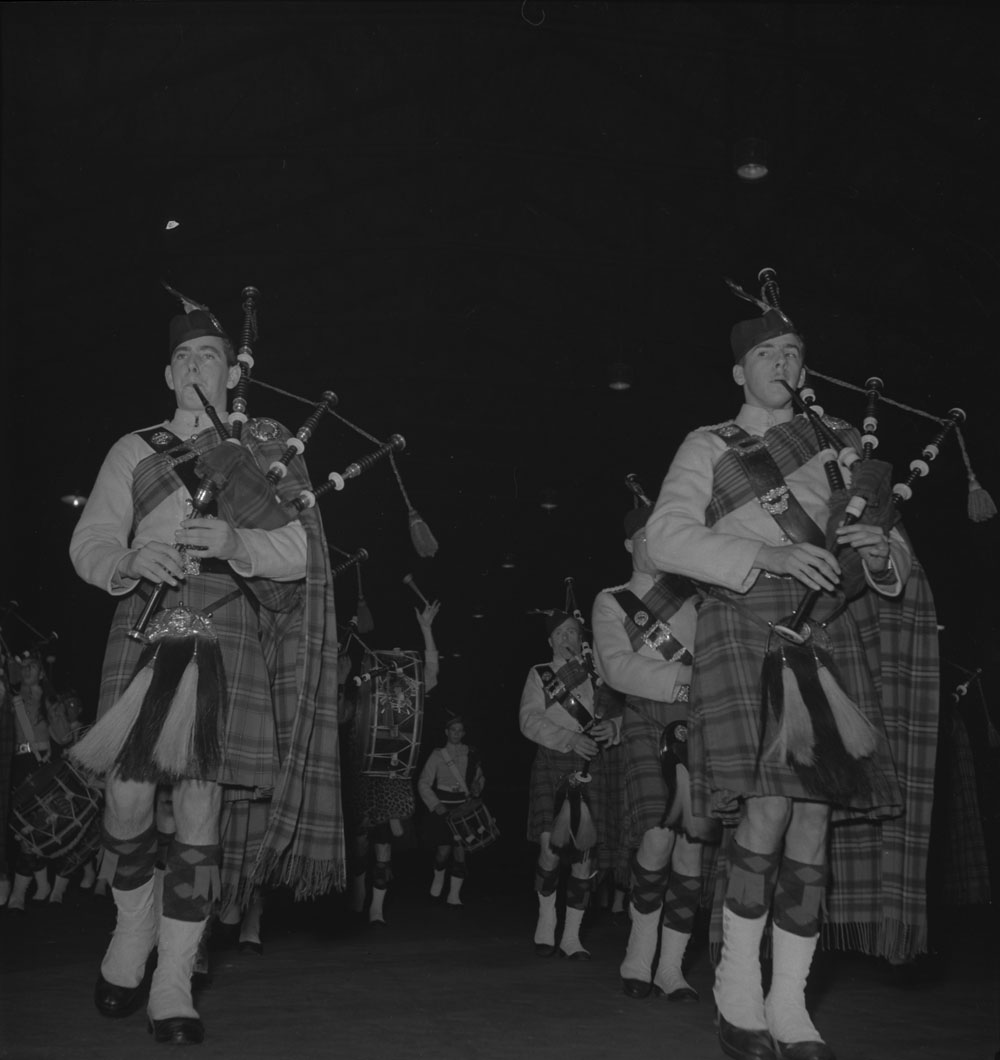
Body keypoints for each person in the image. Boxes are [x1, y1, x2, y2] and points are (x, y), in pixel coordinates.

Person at [645, 304, 936, 1060]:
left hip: (831, 629)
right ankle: (737, 990)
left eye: (795, 352)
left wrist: (878, 551)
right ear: (741, 370)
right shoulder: (709, 444)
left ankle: (790, 1004)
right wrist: (765, 558)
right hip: (750, 621)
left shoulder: (843, 445)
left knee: (815, 823)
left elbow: (892, 563)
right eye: (768, 352)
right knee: (769, 813)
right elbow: (664, 538)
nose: (784, 363)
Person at [69, 307, 341, 1045]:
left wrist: (239, 540)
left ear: (232, 372)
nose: (196, 366)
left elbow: (306, 553)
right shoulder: (136, 449)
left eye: (210, 356)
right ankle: (133, 929)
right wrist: (125, 561)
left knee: (197, 809)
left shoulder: (268, 447)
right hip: (145, 623)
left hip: (227, 629)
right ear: (168, 373)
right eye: (184, 356)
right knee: (125, 799)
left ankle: (173, 978)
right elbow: (90, 539)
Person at [592, 505, 719, 1002]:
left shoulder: (700, 598)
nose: (657, 545)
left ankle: (671, 968)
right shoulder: (612, 601)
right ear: (630, 543)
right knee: (655, 840)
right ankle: (639, 955)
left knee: (692, 846)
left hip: (702, 726)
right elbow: (616, 669)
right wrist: (687, 683)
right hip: (648, 720)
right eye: (648, 535)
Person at [519, 611, 620, 960]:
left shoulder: (601, 674)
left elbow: (623, 711)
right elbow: (528, 721)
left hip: (591, 764)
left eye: (572, 632)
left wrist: (615, 728)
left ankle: (571, 937)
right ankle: (547, 922)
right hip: (554, 760)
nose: (566, 638)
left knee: (585, 855)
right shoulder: (540, 675)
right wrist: (568, 738)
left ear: (582, 638)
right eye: (559, 633)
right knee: (550, 849)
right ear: (550, 641)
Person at [348, 601, 440, 925]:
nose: (399, 656)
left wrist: (426, 630)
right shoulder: (368, 683)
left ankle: (376, 908)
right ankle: (359, 892)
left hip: (393, 770)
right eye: (393, 654)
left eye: (403, 656)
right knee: (360, 840)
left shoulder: (413, 688)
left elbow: (432, 672)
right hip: (363, 767)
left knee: (385, 842)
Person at [417, 715, 485, 906]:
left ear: (463, 733)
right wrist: (435, 804)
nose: (456, 733)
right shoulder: (437, 754)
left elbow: (479, 777)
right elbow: (423, 783)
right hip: (443, 807)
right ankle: (438, 876)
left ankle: (454, 894)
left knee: (461, 851)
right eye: (452, 730)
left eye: (459, 730)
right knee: (443, 852)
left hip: (463, 807)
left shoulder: (471, 753)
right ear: (446, 732)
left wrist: (478, 786)